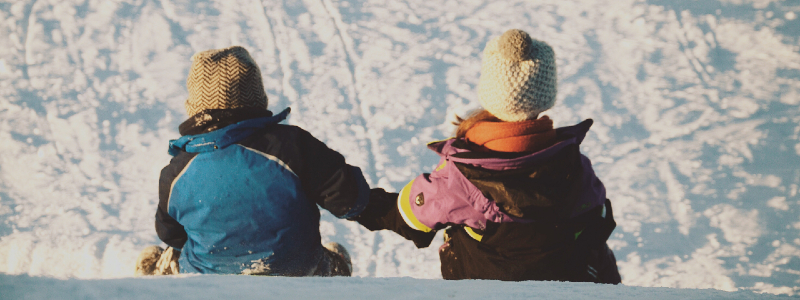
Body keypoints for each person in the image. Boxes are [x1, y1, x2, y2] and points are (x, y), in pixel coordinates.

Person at [355, 29, 621, 283]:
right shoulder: (575, 167)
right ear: (546, 94)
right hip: (562, 281)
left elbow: (407, 216)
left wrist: (350, 198)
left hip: (483, 285)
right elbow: (596, 222)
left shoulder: (460, 179)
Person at [134, 46, 367, 277]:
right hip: (296, 273)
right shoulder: (291, 146)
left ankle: (163, 270)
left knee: (177, 250)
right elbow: (347, 197)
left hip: (209, 278)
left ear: (196, 108)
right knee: (324, 259)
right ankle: (335, 270)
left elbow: (170, 234)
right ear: (257, 98)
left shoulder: (178, 170)